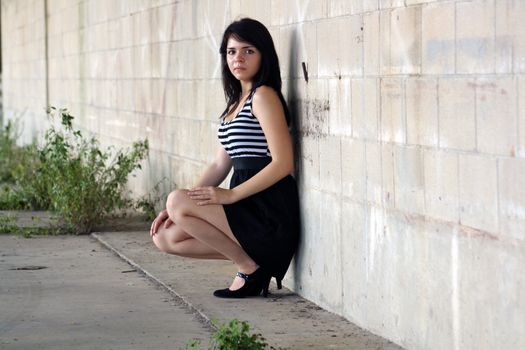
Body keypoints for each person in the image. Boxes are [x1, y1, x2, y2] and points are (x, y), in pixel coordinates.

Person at [150, 18, 300, 299]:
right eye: (232, 52)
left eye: (248, 51)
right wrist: (174, 210)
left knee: (177, 201)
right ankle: (252, 262)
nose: (238, 58)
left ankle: (249, 268)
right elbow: (220, 164)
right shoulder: (235, 103)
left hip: (268, 209)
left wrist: (230, 196)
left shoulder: (263, 96)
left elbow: (283, 163)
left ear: (263, 55)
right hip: (247, 204)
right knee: (166, 236)